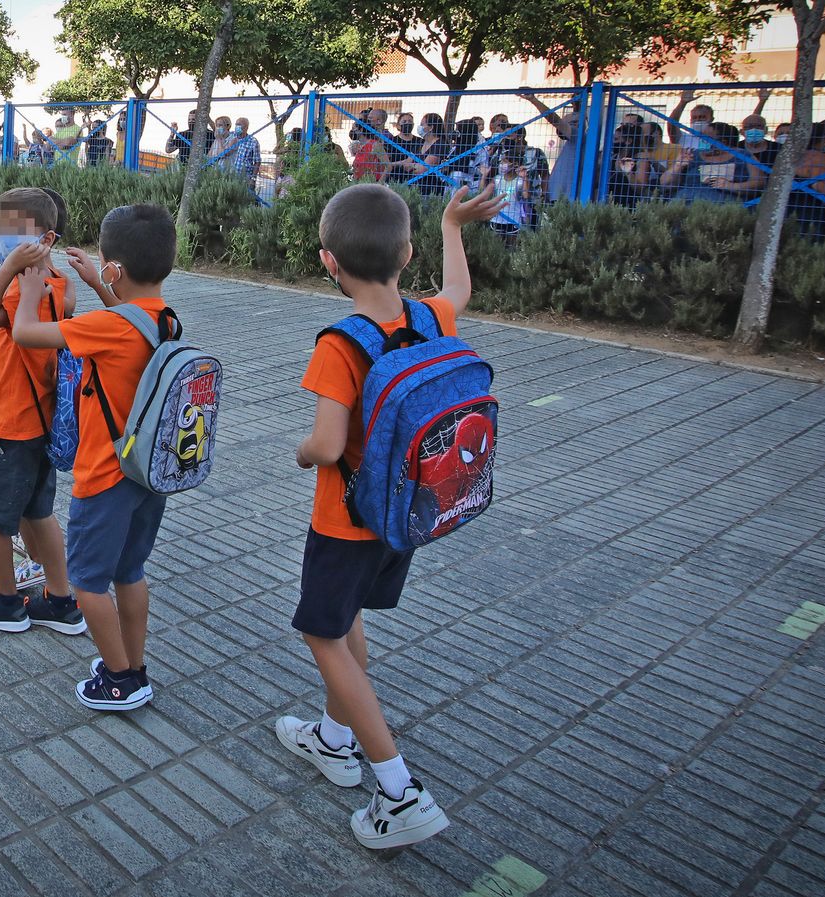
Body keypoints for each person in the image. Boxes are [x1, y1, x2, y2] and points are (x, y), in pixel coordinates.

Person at [279, 181, 503, 850]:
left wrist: (299, 452)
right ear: (407, 253)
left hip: (344, 520)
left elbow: (323, 444)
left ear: (328, 262)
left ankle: (399, 790)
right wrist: (453, 225)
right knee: (345, 620)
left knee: (322, 632)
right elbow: (459, 290)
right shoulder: (432, 317)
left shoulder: (340, 345)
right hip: (405, 512)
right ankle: (333, 735)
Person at [8, 204, 179, 712]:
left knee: (86, 582)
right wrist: (101, 284)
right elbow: (126, 323)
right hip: (147, 474)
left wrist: (33, 292)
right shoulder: (164, 318)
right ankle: (133, 664)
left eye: (103, 262)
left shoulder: (107, 328)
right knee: (129, 572)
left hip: (104, 475)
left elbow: (25, 335)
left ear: (115, 268)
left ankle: (121, 679)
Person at [0, 188, 86, 635]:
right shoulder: (58, 285)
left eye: (12, 231)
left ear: (45, 238)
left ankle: (5, 601)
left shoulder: (20, 288)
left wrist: (8, 268)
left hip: (15, 422)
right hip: (44, 422)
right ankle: (62, 600)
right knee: (37, 512)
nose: (1, 239)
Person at [661, 122, 763, 203]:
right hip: (686, 203)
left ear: (723, 141)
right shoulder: (691, 155)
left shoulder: (743, 155)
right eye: (701, 137)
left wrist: (731, 186)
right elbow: (665, 183)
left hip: (725, 205)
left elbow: (759, 183)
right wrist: (678, 166)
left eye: (706, 138)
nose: (702, 140)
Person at [520, 92, 580, 201]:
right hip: (557, 194)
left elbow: (555, 120)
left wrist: (534, 100)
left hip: (566, 198)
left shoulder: (579, 136)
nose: (568, 123)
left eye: (574, 122)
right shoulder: (569, 145)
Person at [226, 117, 262, 188]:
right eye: (236, 124)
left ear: (246, 127)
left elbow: (257, 162)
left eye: (239, 124)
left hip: (245, 178)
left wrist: (253, 179)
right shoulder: (231, 136)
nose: (237, 126)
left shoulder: (253, 141)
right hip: (230, 175)